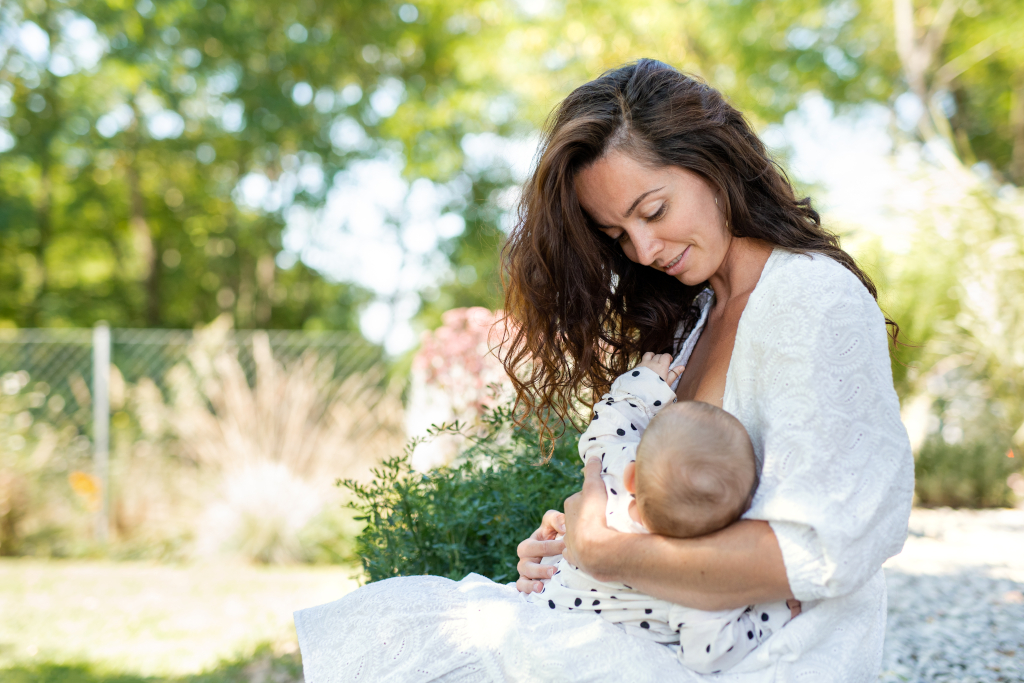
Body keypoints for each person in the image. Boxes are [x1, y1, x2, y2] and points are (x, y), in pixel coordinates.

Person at [293, 59, 914, 682]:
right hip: (666, 635)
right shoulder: (698, 316)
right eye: (617, 233)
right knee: (412, 622)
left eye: (654, 210)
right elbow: (656, 502)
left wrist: (608, 552)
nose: (643, 251)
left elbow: (827, 546)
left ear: (714, 164)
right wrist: (572, 555)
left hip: (758, 662)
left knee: (439, 637)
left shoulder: (810, 299)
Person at [529, 351, 794, 674]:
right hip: (601, 659)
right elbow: (708, 652)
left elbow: (607, 429)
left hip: (546, 612)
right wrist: (770, 617)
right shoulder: (693, 581)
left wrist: (646, 385)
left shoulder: (614, 469)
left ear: (632, 476)